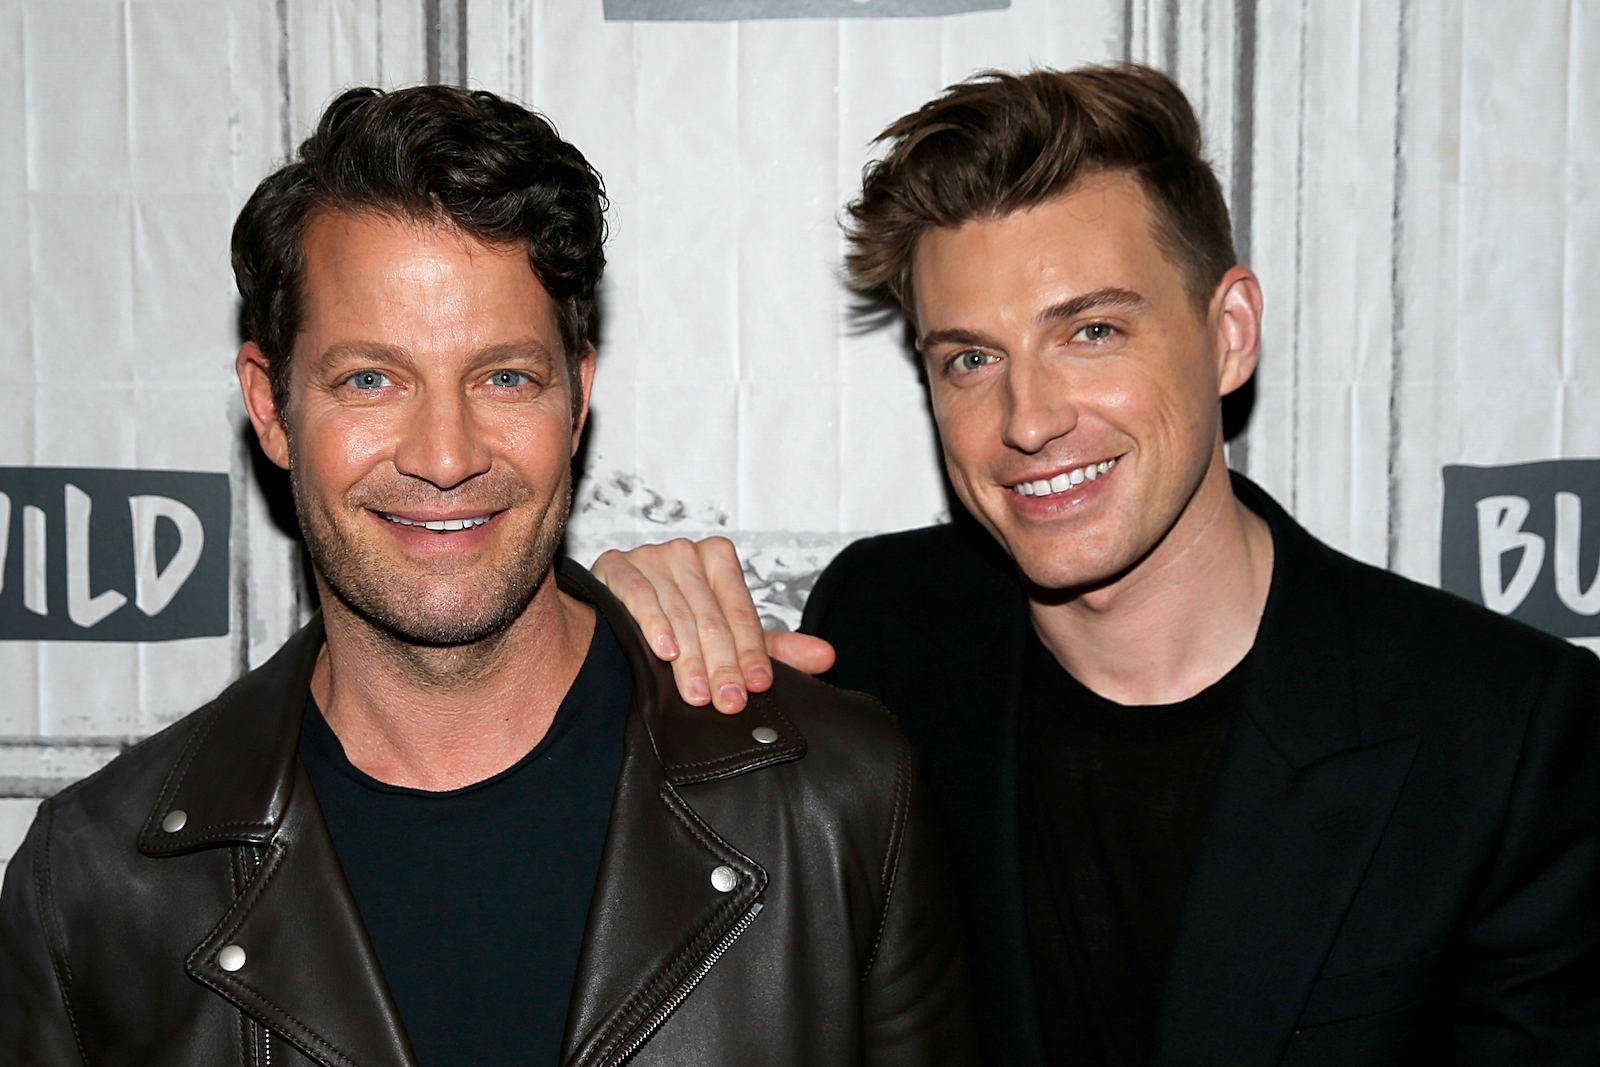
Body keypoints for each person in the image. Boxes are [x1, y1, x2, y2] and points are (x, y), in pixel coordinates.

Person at [593, 65, 1600, 1066]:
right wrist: (602, 655)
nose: (1029, 420)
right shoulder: (884, 631)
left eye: (1092, 331)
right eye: (970, 359)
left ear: (1229, 335)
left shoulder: (1502, 729)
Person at [0, 86, 974, 1066]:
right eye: (370, 379)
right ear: (270, 405)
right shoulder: (95, 884)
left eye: (504, 376)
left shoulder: (839, 801)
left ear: (576, 398)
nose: (445, 455)